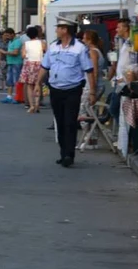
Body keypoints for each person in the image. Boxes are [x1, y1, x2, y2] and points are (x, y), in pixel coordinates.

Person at [35, 17, 95, 167]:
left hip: (73, 89)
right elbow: (45, 67)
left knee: (69, 122)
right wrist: (38, 83)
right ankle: (63, 153)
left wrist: (92, 91)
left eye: (58, 28)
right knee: (60, 122)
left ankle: (69, 154)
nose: (56, 30)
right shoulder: (53, 47)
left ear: (65, 30)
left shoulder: (80, 48)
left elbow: (89, 70)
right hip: (55, 89)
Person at [19, 26, 44, 113]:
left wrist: (28, 55)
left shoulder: (26, 44)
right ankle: (37, 104)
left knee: (29, 86)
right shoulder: (42, 43)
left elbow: (23, 55)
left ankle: (31, 105)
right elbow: (46, 52)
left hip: (29, 64)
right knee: (38, 84)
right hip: (39, 64)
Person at [0, 28, 23, 104]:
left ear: (13, 34)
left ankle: (18, 97)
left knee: (16, 80)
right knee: (9, 80)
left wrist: (5, 52)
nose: (7, 37)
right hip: (10, 62)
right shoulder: (10, 42)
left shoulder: (17, 41)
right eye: (6, 35)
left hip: (16, 63)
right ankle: (9, 97)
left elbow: (15, 53)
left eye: (8, 35)